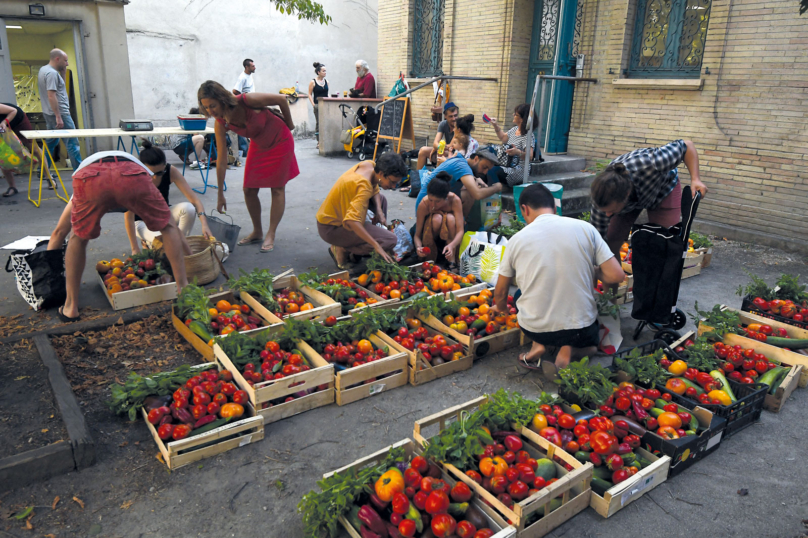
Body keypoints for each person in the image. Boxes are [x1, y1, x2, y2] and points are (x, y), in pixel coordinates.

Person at [491, 183, 625, 377]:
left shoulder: (517, 240)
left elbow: (501, 292)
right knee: (591, 343)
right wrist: (590, 271)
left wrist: (501, 308)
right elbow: (616, 275)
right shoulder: (586, 228)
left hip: (535, 329)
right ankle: (571, 349)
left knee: (520, 294)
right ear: (555, 208)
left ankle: (538, 346)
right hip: (581, 329)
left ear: (524, 209)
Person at [58, 151, 189, 322]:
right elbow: (172, 228)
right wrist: (189, 252)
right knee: (169, 226)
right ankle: (183, 291)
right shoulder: (136, 165)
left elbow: (59, 232)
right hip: (132, 175)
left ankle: (70, 307)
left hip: (91, 178)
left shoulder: (87, 169)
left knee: (78, 237)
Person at [199, 80, 299, 253]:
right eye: (206, 107)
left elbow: (282, 100)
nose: (210, 111)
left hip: (280, 140)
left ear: (222, 99)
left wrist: (290, 125)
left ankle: (271, 233)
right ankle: (257, 231)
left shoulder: (247, 100)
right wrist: (220, 195)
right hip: (259, 145)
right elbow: (221, 159)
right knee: (249, 189)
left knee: (277, 188)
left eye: (213, 105)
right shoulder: (220, 122)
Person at [589, 139, 708, 260]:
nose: (607, 214)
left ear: (626, 196)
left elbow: (686, 146)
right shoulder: (602, 199)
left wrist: (695, 179)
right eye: (605, 211)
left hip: (663, 188)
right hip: (630, 197)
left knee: (663, 243)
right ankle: (614, 279)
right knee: (610, 242)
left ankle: (656, 277)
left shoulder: (651, 163)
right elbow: (597, 245)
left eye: (611, 210)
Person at [317, 152, 408, 268]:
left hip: (332, 215)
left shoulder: (369, 165)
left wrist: (379, 212)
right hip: (331, 228)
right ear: (381, 173)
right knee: (390, 240)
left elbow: (374, 184)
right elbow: (351, 221)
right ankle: (342, 248)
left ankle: (363, 242)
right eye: (392, 182)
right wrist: (376, 245)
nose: (394, 187)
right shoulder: (363, 187)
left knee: (381, 200)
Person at [124, 140, 212, 253]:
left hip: (163, 215)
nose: (155, 178)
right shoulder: (134, 178)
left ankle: (178, 247)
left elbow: (194, 200)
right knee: (164, 241)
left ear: (165, 166)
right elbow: (128, 218)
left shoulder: (170, 171)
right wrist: (134, 248)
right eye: (151, 174)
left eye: (160, 173)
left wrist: (205, 224)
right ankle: (165, 245)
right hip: (141, 222)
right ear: (142, 169)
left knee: (189, 209)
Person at [415, 148, 501, 218]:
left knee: (469, 190)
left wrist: (475, 179)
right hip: (428, 208)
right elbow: (477, 194)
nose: (485, 172)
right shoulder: (462, 167)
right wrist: (496, 187)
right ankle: (460, 225)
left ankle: (460, 224)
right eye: (484, 167)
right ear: (476, 159)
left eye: (488, 169)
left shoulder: (461, 161)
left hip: (433, 204)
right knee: (470, 193)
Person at [37, 49, 82, 171]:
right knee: (72, 143)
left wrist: (63, 73)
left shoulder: (43, 70)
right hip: (60, 113)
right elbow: (51, 95)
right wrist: (58, 116)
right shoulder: (51, 74)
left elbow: (60, 87)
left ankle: (43, 171)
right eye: (65, 61)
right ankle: (80, 172)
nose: (67, 64)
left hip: (49, 113)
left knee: (51, 143)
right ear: (57, 59)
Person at [0, 102, 51, 197]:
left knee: (33, 148)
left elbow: (13, 111)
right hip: (3, 128)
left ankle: (49, 178)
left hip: (18, 120)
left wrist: (4, 121)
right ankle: (12, 187)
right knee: (2, 155)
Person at [414, 172, 464, 266]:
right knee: (437, 218)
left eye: (437, 201)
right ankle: (433, 255)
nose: (433, 205)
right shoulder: (424, 204)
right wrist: (418, 247)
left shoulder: (455, 200)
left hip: (451, 234)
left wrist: (452, 245)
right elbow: (417, 235)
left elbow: (460, 231)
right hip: (431, 234)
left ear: (445, 198)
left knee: (450, 218)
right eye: (431, 200)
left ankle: (451, 261)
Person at [489, 104, 538, 187]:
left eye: (516, 114)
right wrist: (495, 125)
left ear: (522, 119)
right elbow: (503, 138)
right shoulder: (514, 129)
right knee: (487, 166)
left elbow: (529, 156)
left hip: (519, 170)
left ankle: (495, 194)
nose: (513, 115)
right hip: (507, 164)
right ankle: (493, 192)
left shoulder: (528, 135)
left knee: (492, 170)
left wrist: (517, 152)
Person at [415, 103, 459, 171]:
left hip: (457, 155)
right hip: (447, 151)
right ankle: (419, 176)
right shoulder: (443, 124)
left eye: (455, 115)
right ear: (445, 116)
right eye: (451, 116)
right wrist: (436, 148)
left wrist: (436, 149)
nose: (454, 119)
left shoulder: (460, 126)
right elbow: (435, 143)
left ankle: (437, 176)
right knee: (423, 150)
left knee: (440, 154)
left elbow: (451, 146)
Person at [232, 59, 256, 161]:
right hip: (245, 106)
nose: (254, 67)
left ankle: (249, 148)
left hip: (251, 104)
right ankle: (244, 150)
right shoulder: (242, 78)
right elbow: (235, 91)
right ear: (247, 67)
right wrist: (244, 100)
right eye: (252, 66)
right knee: (244, 127)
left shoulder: (249, 75)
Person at [308, 62, 328, 149]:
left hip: (326, 105)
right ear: (318, 72)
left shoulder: (327, 81)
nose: (325, 72)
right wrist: (313, 105)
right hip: (317, 105)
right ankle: (319, 142)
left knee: (326, 122)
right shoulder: (313, 82)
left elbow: (326, 93)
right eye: (323, 71)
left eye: (325, 71)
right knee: (319, 123)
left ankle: (326, 140)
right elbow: (309, 94)